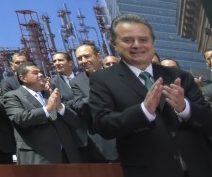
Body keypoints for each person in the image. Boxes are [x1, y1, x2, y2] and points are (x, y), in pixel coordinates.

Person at [89, 13, 212, 176]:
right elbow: (104, 125)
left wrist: (185, 108)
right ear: (113, 43)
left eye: (143, 39)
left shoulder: (180, 76)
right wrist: (144, 111)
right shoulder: (103, 80)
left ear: (152, 42)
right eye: (127, 40)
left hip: (200, 168)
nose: (136, 45)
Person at [0, 62, 84, 164]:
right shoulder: (13, 96)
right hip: (40, 157)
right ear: (23, 78)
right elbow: (20, 119)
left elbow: (74, 120)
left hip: (66, 155)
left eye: (40, 72)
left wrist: (60, 107)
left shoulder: (49, 94)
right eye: (35, 73)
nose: (40, 75)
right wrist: (47, 109)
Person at [67, 42, 117, 162]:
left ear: (99, 56)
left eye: (87, 56)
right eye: (79, 58)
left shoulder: (116, 74)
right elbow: (78, 105)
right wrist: (97, 96)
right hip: (102, 140)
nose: (83, 61)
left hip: (127, 134)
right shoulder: (76, 82)